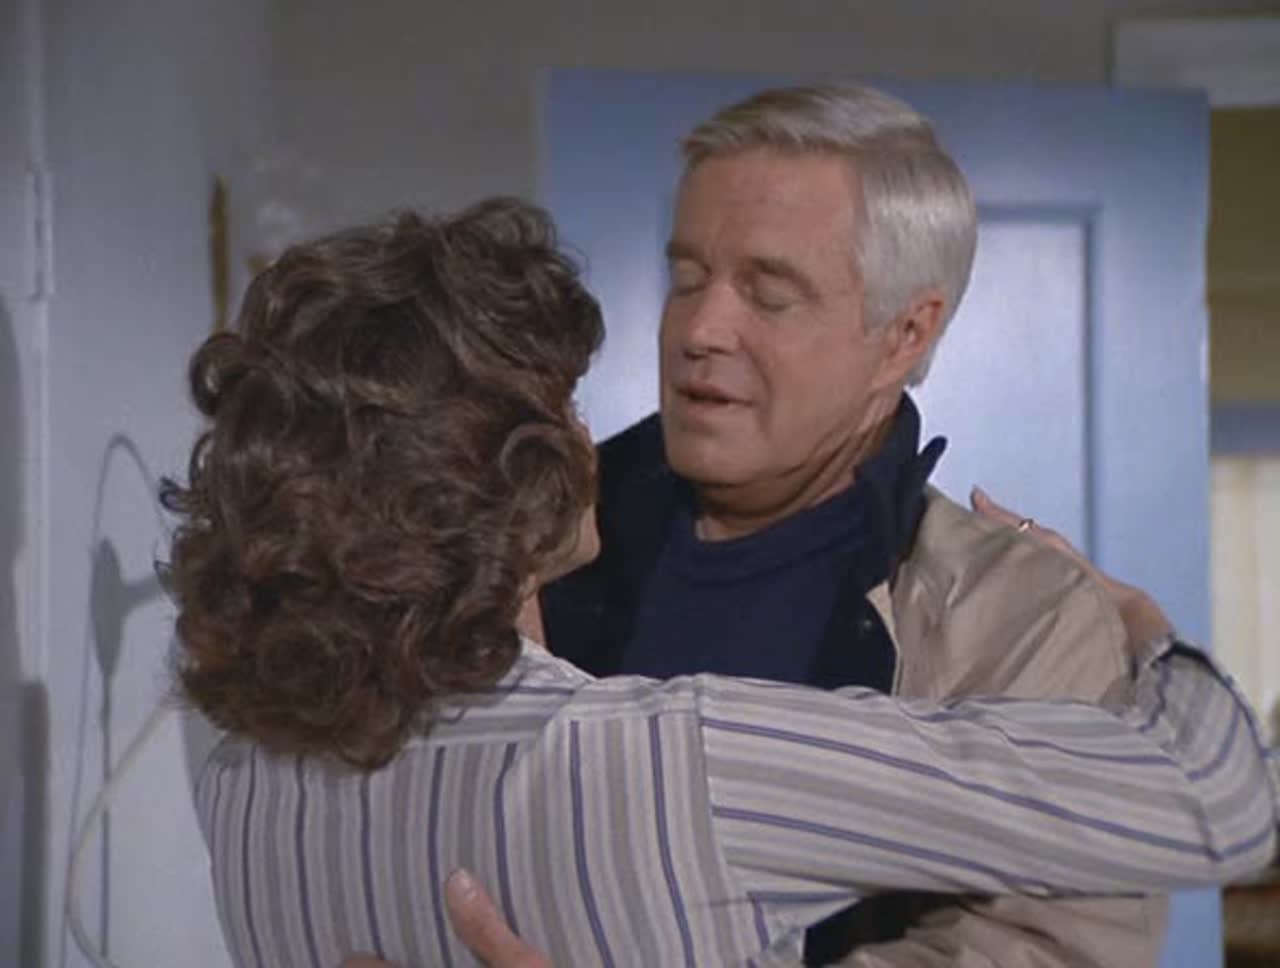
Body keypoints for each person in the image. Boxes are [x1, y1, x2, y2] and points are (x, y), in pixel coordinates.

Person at [165, 198, 1280, 968]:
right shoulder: (671, 762)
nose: (592, 434)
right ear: (513, 476)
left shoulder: (242, 784)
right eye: (563, 406)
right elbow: (1218, 798)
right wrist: (1142, 627)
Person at [496, 82, 1171, 966]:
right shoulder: (522, 545)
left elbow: (1052, 952)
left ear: (905, 334)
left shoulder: (1021, 626)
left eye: (769, 294)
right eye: (687, 278)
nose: (700, 328)